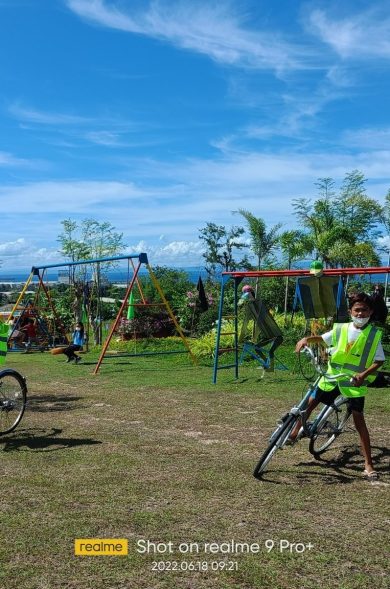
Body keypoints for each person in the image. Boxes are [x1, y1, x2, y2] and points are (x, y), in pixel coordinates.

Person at [294, 292, 384, 480]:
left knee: (359, 421)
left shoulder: (374, 334)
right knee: (311, 402)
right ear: (350, 311)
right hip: (332, 376)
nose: (360, 314)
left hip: (353, 383)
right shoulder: (341, 329)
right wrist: (306, 340)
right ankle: (294, 432)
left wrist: (363, 374)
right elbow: (322, 338)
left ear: (371, 312)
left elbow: (378, 361)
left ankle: (368, 464)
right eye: (357, 310)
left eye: (364, 310)